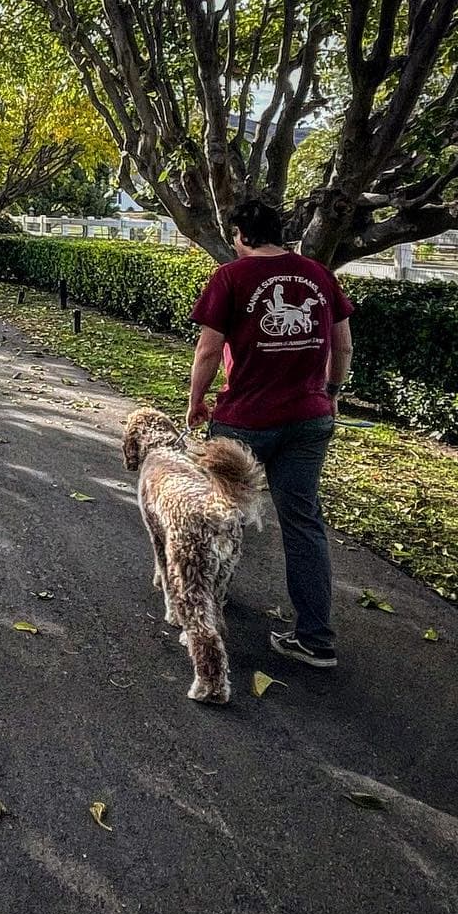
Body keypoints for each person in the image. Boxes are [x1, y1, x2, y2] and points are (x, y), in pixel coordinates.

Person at [186, 198, 354, 669]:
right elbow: (342, 342)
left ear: (240, 233)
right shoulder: (319, 274)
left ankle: (204, 611)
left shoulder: (230, 277)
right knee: (303, 522)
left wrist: (196, 401)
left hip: (245, 421)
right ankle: (316, 638)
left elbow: (208, 349)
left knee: (219, 514)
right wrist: (333, 391)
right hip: (309, 416)